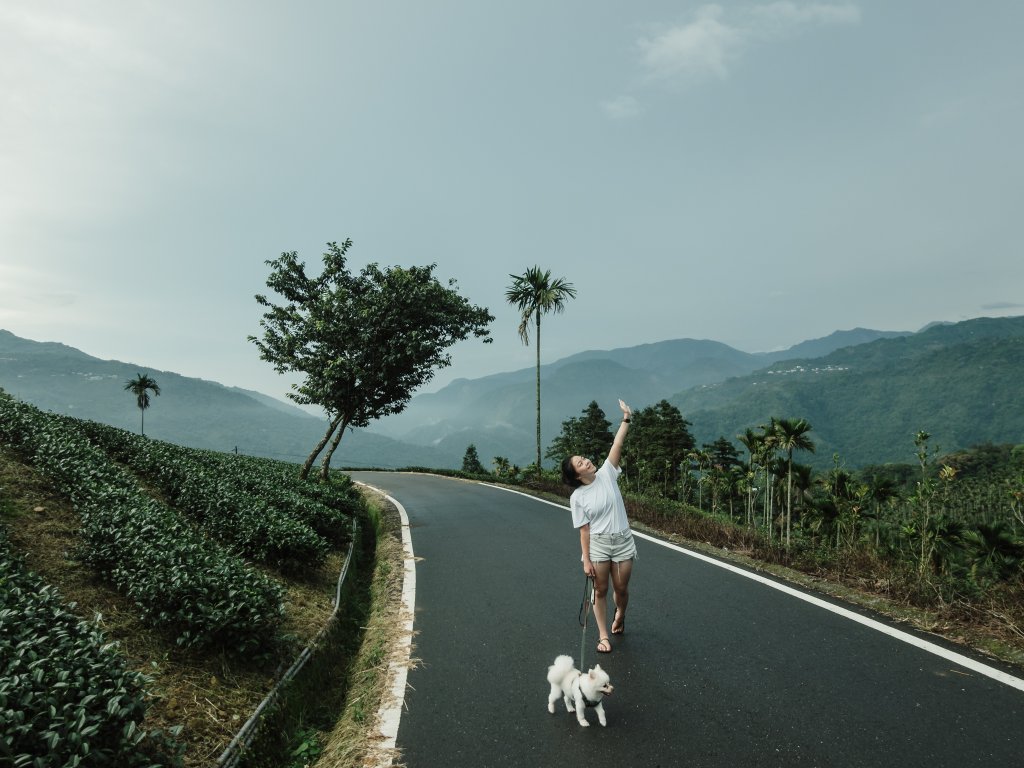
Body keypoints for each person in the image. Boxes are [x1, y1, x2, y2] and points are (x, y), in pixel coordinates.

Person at [560, 398, 637, 654]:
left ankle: (621, 613)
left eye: (583, 458)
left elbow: (617, 444)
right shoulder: (578, 497)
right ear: (577, 476)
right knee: (601, 589)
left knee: (621, 588)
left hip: (623, 540)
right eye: (580, 463)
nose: (586, 461)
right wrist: (586, 559)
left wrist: (626, 418)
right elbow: (584, 530)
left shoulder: (607, 472)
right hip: (600, 544)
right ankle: (603, 636)